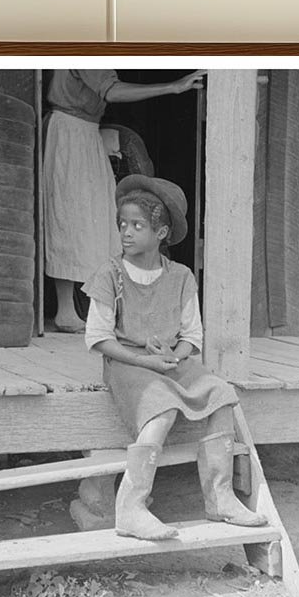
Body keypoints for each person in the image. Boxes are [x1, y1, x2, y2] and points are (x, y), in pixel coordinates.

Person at [81, 175, 268, 541]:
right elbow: (99, 338)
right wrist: (146, 362)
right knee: (162, 404)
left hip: (168, 359)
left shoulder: (180, 277)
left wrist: (174, 354)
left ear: (162, 232)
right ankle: (131, 508)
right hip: (126, 363)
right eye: (123, 224)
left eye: (138, 225)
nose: (127, 233)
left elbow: (192, 336)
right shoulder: (111, 274)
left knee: (219, 393)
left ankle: (221, 498)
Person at [43, 69, 205, 332]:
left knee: (97, 220)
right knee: (71, 217)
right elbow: (112, 91)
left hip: (84, 130)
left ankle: (92, 310)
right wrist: (172, 86)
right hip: (70, 132)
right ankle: (65, 311)